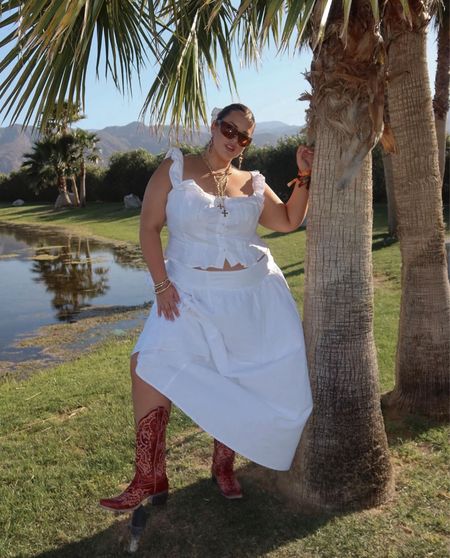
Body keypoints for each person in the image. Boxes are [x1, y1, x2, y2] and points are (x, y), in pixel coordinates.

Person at [99, 103, 314, 512]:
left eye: (244, 136)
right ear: (214, 126)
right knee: (147, 361)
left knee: (237, 376)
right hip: (188, 295)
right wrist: (161, 284)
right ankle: (149, 475)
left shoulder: (251, 181)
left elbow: (287, 220)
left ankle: (223, 464)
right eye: (229, 129)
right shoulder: (175, 168)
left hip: (251, 295)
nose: (234, 140)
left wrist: (303, 176)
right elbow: (148, 227)